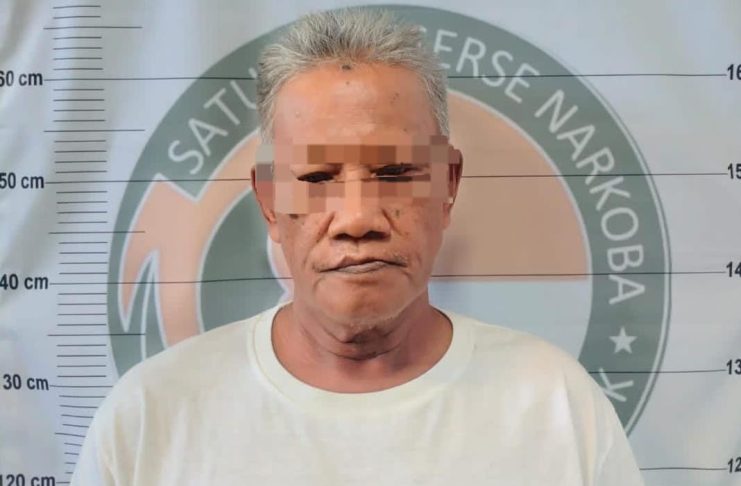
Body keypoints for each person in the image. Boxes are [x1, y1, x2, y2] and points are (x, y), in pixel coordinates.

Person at [71, 8, 645, 485]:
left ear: (447, 186)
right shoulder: (150, 418)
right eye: (317, 178)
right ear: (269, 201)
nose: (357, 219)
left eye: (394, 174)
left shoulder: (556, 407)